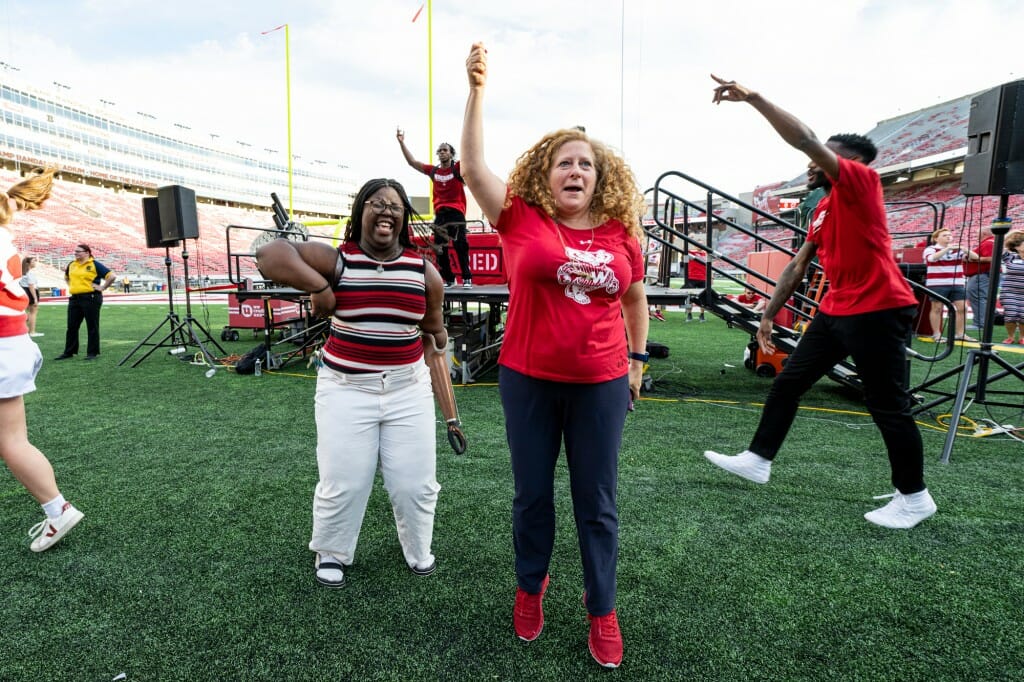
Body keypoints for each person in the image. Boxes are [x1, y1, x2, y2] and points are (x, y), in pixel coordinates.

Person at [461, 42, 649, 669]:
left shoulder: (622, 231)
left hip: (599, 384)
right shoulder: (519, 218)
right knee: (532, 495)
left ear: (601, 177)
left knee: (597, 502)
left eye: (585, 164)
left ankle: (602, 610)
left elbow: (634, 299)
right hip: (529, 380)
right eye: (564, 162)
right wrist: (478, 89)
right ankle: (530, 588)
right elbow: (471, 167)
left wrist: (638, 361)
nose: (575, 171)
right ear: (545, 175)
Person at [703, 74, 937, 530]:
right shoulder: (824, 207)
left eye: (822, 158)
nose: (811, 164)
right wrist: (767, 315)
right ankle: (758, 459)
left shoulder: (862, 182)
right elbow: (798, 264)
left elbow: (807, 140)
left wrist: (754, 98)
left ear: (847, 162)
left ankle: (915, 497)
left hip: (879, 307)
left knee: (887, 404)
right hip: (838, 307)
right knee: (789, 383)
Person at [256, 178, 447, 589]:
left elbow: (434, 328)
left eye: (395, 206)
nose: (387, 211)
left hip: (407, 389)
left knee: (416, 483)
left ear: (404, 218)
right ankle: (332, 552)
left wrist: (440, 336)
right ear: (361, 211)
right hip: (344, 388)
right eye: (377, 203)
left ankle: (418, 550)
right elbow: (268, 254)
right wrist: (321, 286)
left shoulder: (423, 270)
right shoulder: (337, 259)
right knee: (343, 481)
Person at [0, 168, 85, 551]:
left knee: (12, 442)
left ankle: (57, 509)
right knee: (12, 439)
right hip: (13, 340)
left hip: (3, 344)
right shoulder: (4, 234)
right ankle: (56, 509)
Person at [396, 129, 473, 288]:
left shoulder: (457, 168)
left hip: (456, 213)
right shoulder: (433, 171)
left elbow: (470, 155)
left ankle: (467, 278)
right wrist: (401, 142)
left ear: (451, 154)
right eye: (439, 150)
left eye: (445, 150)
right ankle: (449, 279)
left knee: (460, 246)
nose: (442, 152)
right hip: (441, 215)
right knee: (439, 248)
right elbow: (412, 162)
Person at [55, 243, 116, 360]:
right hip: (75, 298)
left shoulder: (94, 264)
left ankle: (92, 353)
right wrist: (72, 286)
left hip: (91, 298)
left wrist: (103, 287)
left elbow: (112, 276)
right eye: (75, 251)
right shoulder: (72, 265)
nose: (75, 253)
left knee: (92, 325)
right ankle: (69, 352)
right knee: (72, 326)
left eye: (78, 251)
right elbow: (66, 277)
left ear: (87, 253)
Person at [923, 227, 979, 342]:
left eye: (949, 235)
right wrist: (947, 249)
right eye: (944, 235)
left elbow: (976, 258)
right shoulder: (931, 248)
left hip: (957, 283)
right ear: (936, 238)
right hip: (937, 284)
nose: (948, 237)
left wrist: (965, 249)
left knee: (963, 307)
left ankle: (960, 334)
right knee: (937, 308)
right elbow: (932, 259)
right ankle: (937, 334)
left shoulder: (957, 250)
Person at [964, 224, 995, 333]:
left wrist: (971, 259)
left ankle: (980, 323)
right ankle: (981, 322)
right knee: (979, 297)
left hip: (982, 274)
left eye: (977, 233)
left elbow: (991, 258)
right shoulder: (989, 242)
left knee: (977, 296)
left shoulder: (988, 243)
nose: (975, 235)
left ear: (984, 233)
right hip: (983, 274)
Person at [1000, 230, 1024, 345]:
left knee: (1023, 316)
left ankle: (1022, 337)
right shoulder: (1011, 257)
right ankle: (1010, 336)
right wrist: (1013, 232)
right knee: (1011, 315)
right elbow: (1000, 245)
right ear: (1018, 247)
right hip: (1010, 292)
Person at [18, 256, 43, 337]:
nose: (35, 263)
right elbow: (31, 286)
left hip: (24, 292)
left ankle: (23, 329)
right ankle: (32, 332)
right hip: (30, 293)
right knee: (33, 313)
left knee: (28, 312)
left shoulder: (22, 273)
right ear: (28, 263)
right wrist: (35, 298)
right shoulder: (29, 273)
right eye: (33, 261)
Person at [683, 241, 707, 322]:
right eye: (698, 243)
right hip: (691, 277)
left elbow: (709, 266)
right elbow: (684, 255)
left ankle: (702, 314)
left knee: (703, 297)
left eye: (701, 243)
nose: (700, 245)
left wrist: (712, 278)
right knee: (690, 297)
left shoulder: (706, 254)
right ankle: (689, 314)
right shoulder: (690, 252)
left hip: (703, 278)